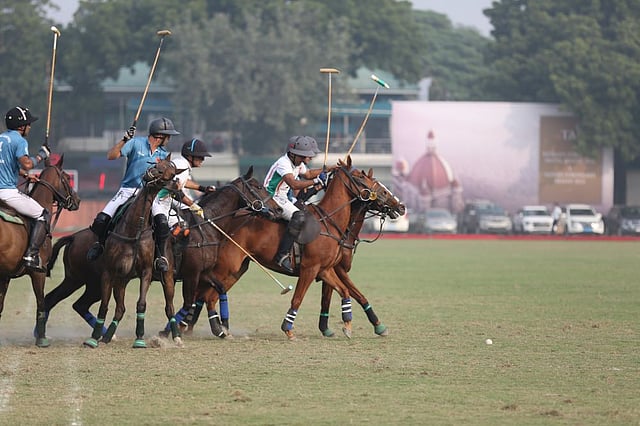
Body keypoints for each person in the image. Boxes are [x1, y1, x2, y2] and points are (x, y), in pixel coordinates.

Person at [86, 117, 180, 261]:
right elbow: (111, 156)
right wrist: (124, 140)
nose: (169, 139)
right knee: (101, 219)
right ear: (159, 136)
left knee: (162, 223)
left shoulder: (163, 154)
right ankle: (100, 244)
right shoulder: (136, 143)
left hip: (150, 194)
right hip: (128, 190)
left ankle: (160, 256)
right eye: (168, 136)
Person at [263, 136, 331, 273]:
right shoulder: (283, 163)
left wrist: (331, 169)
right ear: (293, 154)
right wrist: (317, 181)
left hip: (283, 197)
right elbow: (294, 184)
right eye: (303, 156)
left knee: (309, 211)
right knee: (298, 217)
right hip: (271, 197)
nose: (306, 159)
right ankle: (282, 255)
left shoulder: (297, 163)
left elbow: (309, 174)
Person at [150, 138, 215, 272]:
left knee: (184, 230)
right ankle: (160, 258)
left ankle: (174, 261)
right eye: (200, 157)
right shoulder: (181, 165)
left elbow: (184, 183)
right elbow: (175, 190)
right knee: (165, 227)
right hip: (157, 201)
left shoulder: (184, 165)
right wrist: (193, 205)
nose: (202, 160)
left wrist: (203, 188)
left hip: (167, 202)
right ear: (190, 156)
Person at [0, 106, 51, 271]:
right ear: (21, 126)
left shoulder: (1, 138)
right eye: (28, 124)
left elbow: (6, 164)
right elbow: (27, 164)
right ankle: (31, 255)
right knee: (43, 214)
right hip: (7, 192)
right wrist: (41, 155)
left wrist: (24, 175)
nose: (30, 127)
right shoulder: (20, 141)